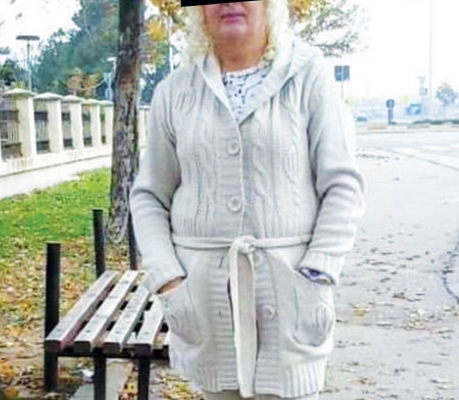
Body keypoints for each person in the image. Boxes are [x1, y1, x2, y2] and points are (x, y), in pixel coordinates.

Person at [130, 1, 365, 399]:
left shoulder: (308, 74)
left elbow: (343, 184)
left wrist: (319, 270)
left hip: (291, 300)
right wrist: (167, 277)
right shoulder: (174, 91)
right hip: (206, 305)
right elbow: (149, 196)